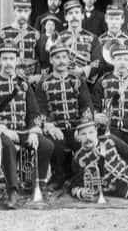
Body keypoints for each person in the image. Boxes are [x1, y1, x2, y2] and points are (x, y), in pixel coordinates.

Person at [0, 42, 54, 209]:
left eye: (11, 59)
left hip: (23, 130)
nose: (8, 63)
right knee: (8, 146)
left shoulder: (25, 84)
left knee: (47, 145)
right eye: (4, 58)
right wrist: (0, 129)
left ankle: (38, 185)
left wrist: (34, 132)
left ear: (17, 60)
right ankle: (12, 190)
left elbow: (34, 112)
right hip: (1, 131)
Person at [35, 44, 93, 190]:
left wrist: (82, 128)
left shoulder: (77, 80)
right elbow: (40, 110)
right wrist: (48, 125)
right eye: (57, 57)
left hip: (76, 127)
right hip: (56, 128)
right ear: (51, 60)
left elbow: (86, 105)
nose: (61, 61)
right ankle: (58, 176)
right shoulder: (44, 83)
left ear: (68, 60)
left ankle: (79, 178)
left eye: (64, 57)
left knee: (86, 141)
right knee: (55, 144)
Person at [0, 0, 43, 85]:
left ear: (30, 12)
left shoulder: (35, 34)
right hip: (9, 79)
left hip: (30, 80)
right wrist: (14, 70)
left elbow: (39, 59)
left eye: (26, 11)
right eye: (19, 11)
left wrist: (36, 76)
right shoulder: (4, 33)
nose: (22, 14)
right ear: (14, 11)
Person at [57, 0, 101, 84]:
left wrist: (82, 71)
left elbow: (97, 62)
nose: (74, 16)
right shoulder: (59, 38)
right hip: (63, 82)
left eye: (77, 13)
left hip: (86, 84)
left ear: (82, 15)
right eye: (70, 13)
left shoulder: (92, 38)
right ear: (66, 17)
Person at [97, 5, 128, 77]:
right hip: (106, 81)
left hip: (126, 79)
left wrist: (126, 70)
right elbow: (97, 63)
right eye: (111, 19)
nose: (114, 23)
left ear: (122, 20)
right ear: (106, 19)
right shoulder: (100, 40)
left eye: (117, 19)